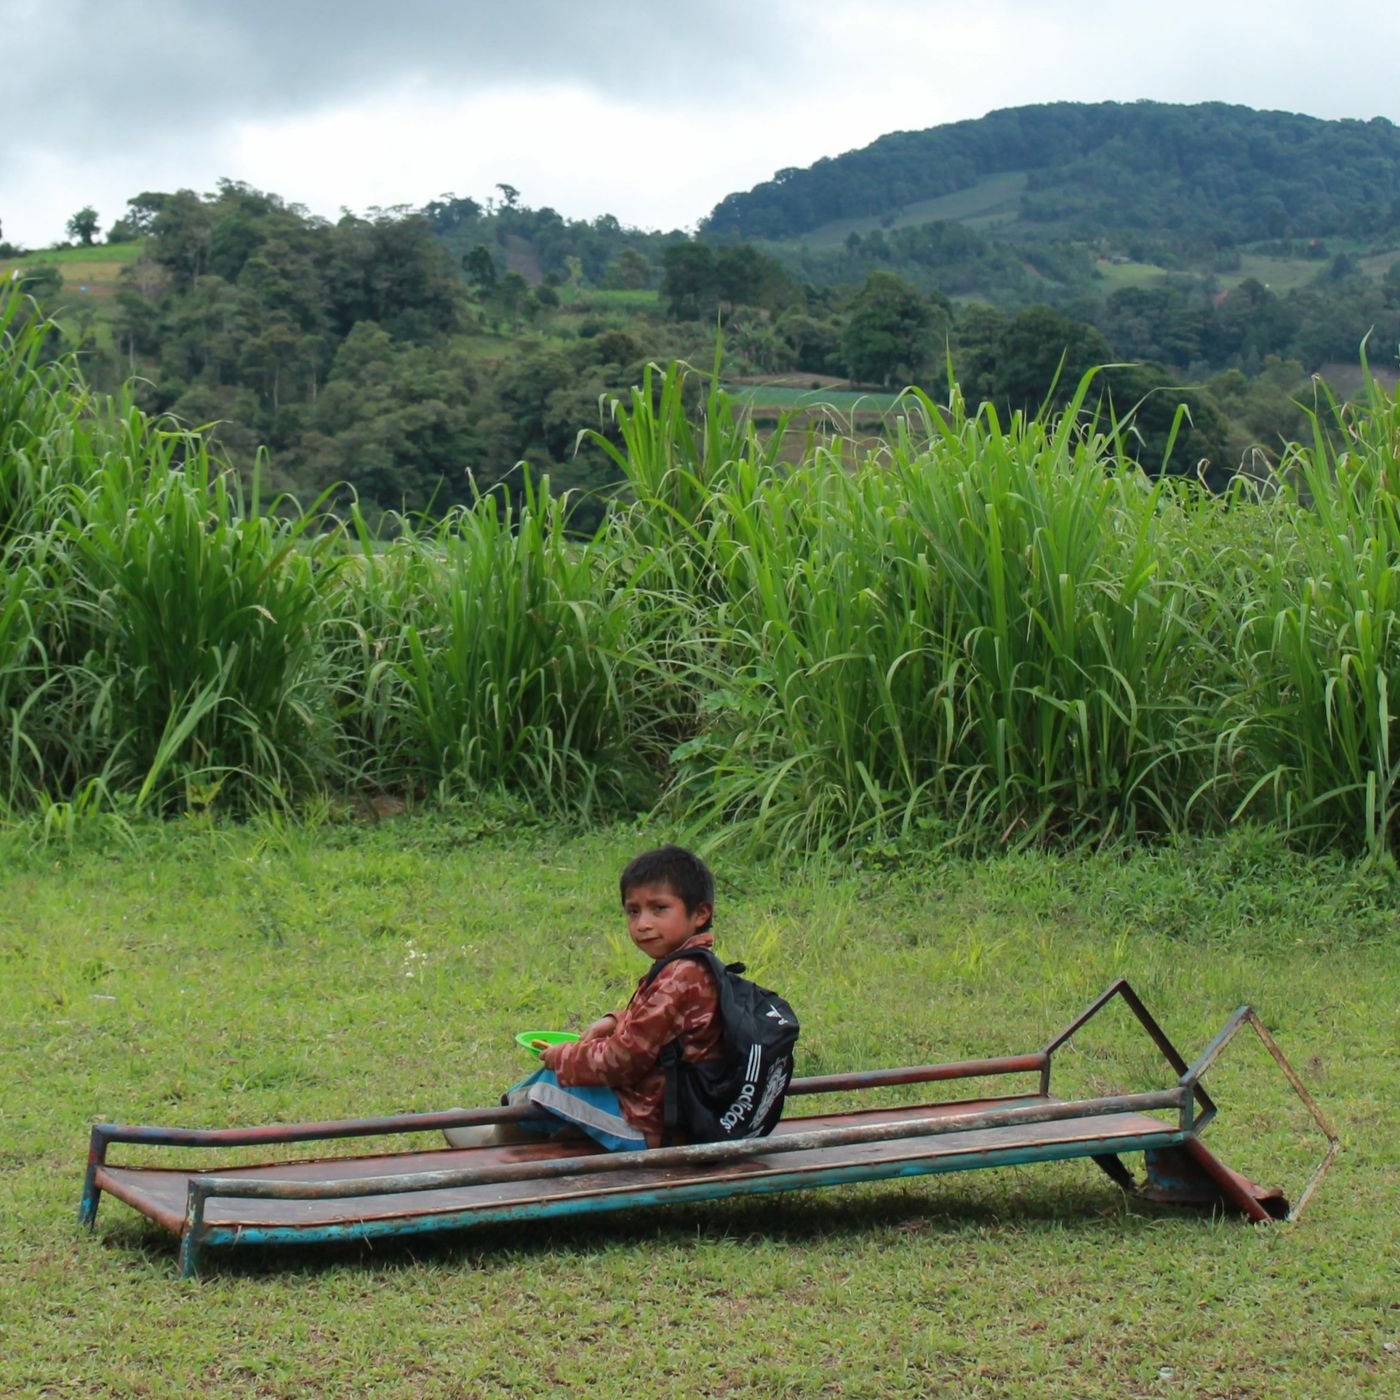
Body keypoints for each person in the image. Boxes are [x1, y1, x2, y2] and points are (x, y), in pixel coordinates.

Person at [446, 845, 725, 1152]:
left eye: (659, 909)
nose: (643, 923)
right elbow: (662, 1025)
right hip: (680, 1111)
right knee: (572, 1081)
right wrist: (612, 1021)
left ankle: (496, 1146)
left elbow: (622, 1061)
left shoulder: (677, 977)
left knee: (548, 1086)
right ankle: (539, 1138)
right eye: (634, 911)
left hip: (655, 1127)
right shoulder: (695, 966)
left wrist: (562, 1056)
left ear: (700, 914)